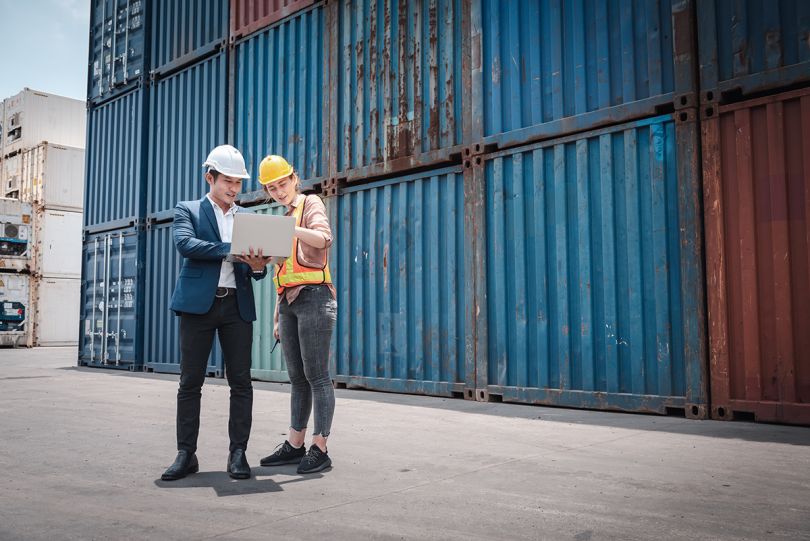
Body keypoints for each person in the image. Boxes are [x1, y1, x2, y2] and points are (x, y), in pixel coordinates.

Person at [161, 145, 271, 481]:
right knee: (190, 382)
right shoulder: (189, 209)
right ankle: (186, 454)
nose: (234, 189)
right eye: (228, 181)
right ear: (210, 177)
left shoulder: (247, 218)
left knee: (241, 382)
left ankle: (238, 453)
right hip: (199, 307)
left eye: (238, 182)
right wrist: (232, 251)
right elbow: (185, 244)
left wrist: (256, 264)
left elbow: (257, 271)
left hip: (237, 306)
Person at [256, 155, 337, 474]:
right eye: (271, 188)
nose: (278, 192)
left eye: (282, 184)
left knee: (317, 375)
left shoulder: (310, 203)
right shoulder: (284, 215)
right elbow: (284, 270)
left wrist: (293, 228)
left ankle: (320, 447)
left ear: (294, 179)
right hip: (288, 303)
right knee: (297, 378)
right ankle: (294, 444)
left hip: (315, 297)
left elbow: (324, 238)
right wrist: (278, 316)